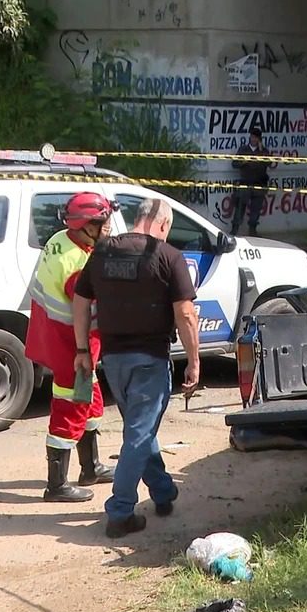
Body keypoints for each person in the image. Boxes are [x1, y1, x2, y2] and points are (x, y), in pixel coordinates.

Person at [71, 197, 201, 537]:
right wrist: (194, 361)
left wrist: (83, 348)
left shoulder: (102, 252)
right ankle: (120, 511)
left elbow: (80, 300)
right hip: (150, 360)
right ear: (162, 224)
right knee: (139, 435)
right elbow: (186, 314)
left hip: (113, 361)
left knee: (141, 432)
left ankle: (162, 492)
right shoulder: (168, 256)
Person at [25, 192, 116, 502]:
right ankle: (56, 486)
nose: (109, 228)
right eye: (103, 223)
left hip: (56, 337)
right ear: (86, 226)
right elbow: (86, 307)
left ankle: (90, 467)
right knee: (69, 408)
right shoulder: (77, 264)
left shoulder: (60, 239)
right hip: (71, 346)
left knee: (90, 402)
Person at [229, 126, 277, 237]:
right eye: (252, 137)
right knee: (240, 208)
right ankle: (234, 230)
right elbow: (234, 164)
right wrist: (244, 162)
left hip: (259, 184)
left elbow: (270, 164)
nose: (253, 139)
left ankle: (252, 232)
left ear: (259, 139)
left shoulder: (264, 151)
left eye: (256, 137)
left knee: (256, 210)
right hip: (245, 183)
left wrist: (261, 151)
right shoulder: (243, 149)